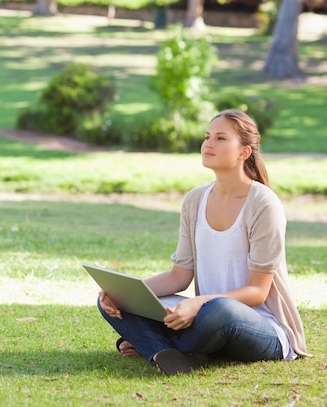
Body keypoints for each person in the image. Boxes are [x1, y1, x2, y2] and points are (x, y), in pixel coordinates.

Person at [97, 109, 311, 375]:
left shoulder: (263, 204)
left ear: (244, 152)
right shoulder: (196, 199)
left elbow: (257, 291)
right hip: (204, 320)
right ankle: (166, 352)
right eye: (208, 136)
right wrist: (122, 293)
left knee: (219, 310)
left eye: (221, 138)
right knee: (113, 299)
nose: (208, 143)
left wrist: (198, 303)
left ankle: (151, 345)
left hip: (260, 326)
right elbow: (179, 276)